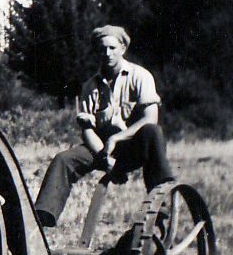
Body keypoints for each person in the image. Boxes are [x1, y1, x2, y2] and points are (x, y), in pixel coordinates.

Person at [35, 25, 174, 228]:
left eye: (112, 48)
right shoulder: (90, 87)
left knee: (154, 132)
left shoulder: (140, 76)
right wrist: (105, 156)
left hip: (133, 146)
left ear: (123, 49)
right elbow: (87, 129)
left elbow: (150, 119)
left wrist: (116, 138)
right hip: (100, 150)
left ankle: (160, 200)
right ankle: (42, 217)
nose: (107, 54)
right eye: (102, 49)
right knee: (63, 159)